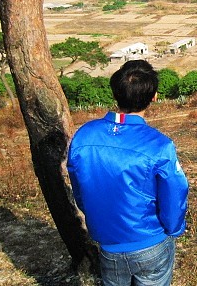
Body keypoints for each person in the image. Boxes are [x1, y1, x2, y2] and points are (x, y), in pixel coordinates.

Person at [67, 60, 189, 286]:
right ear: (154, 96)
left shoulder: (84, 136)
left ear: (115, 93)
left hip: (107, 242)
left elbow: (80, 189)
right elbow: (175, 192)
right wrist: (174, 229)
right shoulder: (159, 145)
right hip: (150, 241)